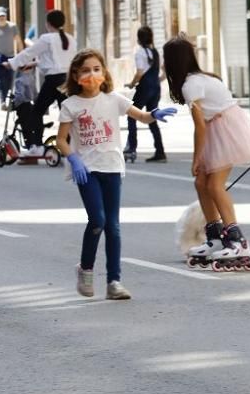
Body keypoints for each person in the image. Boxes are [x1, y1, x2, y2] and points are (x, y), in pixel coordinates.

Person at [57, 49, 177, 300]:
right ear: (76, 76)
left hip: (112, 167)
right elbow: (61, 140)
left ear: (104, 72)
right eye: (86, 70)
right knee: (97, 220)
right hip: (87, 171)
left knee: (113, 226)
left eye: (96, 69)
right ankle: (86, 269)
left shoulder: (115, 99)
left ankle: (114, 282)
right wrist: (74, 159)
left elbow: (141, 116)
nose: (92, 74)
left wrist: (154, 114)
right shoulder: (71, 105)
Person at [164, 35, 250, 269]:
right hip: (217, 127)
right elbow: (202, 125)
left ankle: (237, 240)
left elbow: (199, 125)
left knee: (215, 186)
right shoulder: (198, 79)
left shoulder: (191, 85)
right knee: (201, 183)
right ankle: (215, 237)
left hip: (226, 129)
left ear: (172, 62)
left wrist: (196, 157)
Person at [9, 10, 76, 155]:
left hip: (53, 80)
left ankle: (37, 146)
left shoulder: (47, 38)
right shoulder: (70, 38)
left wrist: (12, 63)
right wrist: (36, 64)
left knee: (37, 112)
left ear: (48, 24)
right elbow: (58, 60)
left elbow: (29, 53)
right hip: (68, 79)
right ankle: (71, 145)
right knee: (67, 113)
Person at [124, 26, 167, 163]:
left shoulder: (140, 53)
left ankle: (131, 148)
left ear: (138, 38)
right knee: (152, 117)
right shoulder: (155, 52)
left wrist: (131, 84)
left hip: (144, 89)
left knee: (132, 116)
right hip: (155, 88)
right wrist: (158, 80)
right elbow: (164, 72)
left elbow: (140, 73)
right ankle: (160, 151)